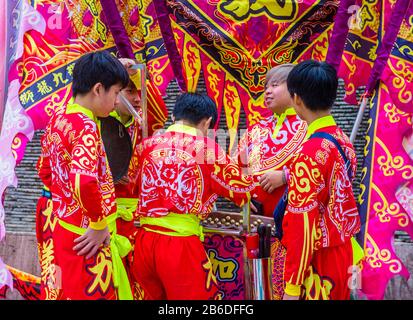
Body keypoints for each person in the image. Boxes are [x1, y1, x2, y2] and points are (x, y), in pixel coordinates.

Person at [131, 92, 254, 300]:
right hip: (179, 245)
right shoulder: (208, 151)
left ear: (173, 117)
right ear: (207, 122)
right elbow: (243, 192)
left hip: (143, 241)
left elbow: (131, 186)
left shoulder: (145, 146)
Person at [37, 50, 131, 300]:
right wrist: (99, 225)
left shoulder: (58, 118)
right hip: (87, 235)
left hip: (63, 228)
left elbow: (44, 170)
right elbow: (84, 180)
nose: (116, 100)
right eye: (116, 92)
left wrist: (65, 202)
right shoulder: (86, 127)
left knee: (68, 291)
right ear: (98, 89)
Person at [282, 60, 361, 300]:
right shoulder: (343, 140)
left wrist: (293, 286)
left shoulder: (309, 153)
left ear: (296, 99)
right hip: (344, 250)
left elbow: (302, 224)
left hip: (319, 260)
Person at [233, 64, 307, 217]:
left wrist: (285, 176)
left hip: (295, 223)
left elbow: (322, 169)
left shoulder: (309, 126)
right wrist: (239, 195)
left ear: (295, 89)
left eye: (274, 85)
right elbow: (235, 168)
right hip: (254, 224)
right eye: (266, 87)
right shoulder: (255, 129)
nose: (267, 91)